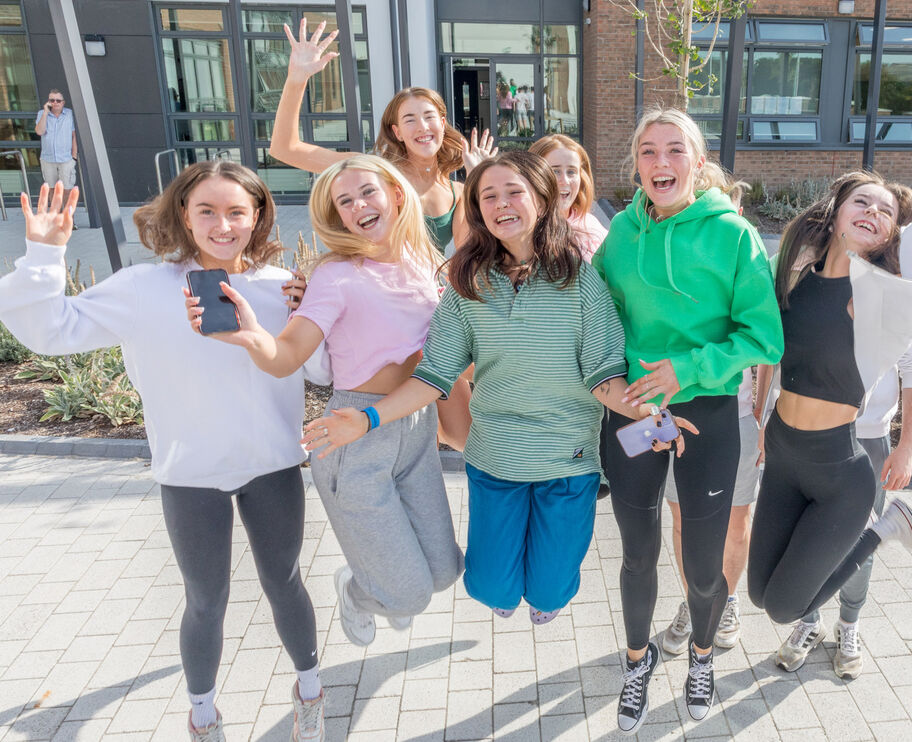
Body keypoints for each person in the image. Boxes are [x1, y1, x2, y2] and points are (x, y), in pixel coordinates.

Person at [0, 167, 325, 741]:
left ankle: (311, 693)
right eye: (207, 211)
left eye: (236, 211)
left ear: (257, 216)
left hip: (272, 466)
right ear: (183, 215)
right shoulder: (143, 288)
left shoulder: (282, 287)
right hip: (190, 473)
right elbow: (52, 330)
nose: (222, 225)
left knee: (285, 582)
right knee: (206, 600)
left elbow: (320, 370)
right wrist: (44, 255)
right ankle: (204, 717)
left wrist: (310, 313)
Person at [303, 150, 677, 630]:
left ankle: (546, 589)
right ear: (477, 210)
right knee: (490, 588)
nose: (502, 204)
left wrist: (648, 415)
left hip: (569, 461)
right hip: (496, 459)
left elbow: (604, 377)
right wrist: (367, 418)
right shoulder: (468, 284)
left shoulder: (583, 281)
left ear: (541, 199)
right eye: (488, 196)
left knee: (550, 589)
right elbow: (433, 376)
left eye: (514, 192)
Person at [189, 154, 464, 649]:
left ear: (395, 194)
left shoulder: (421, 259)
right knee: (410, 595)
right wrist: (253, 335)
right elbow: (287, 356)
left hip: (414, 427)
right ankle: (357, 591)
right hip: (354, 440)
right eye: (345, 201)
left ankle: (378, 581)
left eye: (367, 192)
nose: (358, 206)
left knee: (446, 571)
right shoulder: (336, 275)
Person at [746, 171, 912, 677]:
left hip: (837, 472)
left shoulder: (888, 294)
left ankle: (885, 528)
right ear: (836, 213)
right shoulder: (794, 277)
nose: (873, 212)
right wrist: (759, 418)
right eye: (862, 202)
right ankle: (822, 607)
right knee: (759, 593)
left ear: (893, 233)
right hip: (782, 452)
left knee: (782, 606)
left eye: (886, 211)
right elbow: (768, 354)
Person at [593, 107, 784, 732]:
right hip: (636, 414)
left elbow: (764, 338)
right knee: (637, 553)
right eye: (648, 151)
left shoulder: (733, 235)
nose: (661, 162)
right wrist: (617, 388)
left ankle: (702, 656)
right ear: (636, 165)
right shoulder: (622, 234)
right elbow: (595, 318)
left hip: (706, 412)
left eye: (675, 150)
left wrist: (690, 371)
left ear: (698, 164)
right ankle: (636, 662)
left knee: (704, 566)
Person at [268, 17, 478, 448]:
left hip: (426, 315)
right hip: (380, 321)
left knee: (466, 436)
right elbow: (285, 148)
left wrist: (479, 181)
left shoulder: (456, 190)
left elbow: (466, 260)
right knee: (401, 424)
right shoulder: (373, 174)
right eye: (409, 119)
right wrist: (297, 78)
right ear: (396, 131)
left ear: (443, 123)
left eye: (430, 116)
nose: (422, 126)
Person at [781, 332, 912, 677]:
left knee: (859, 541)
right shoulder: (809, 289)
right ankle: (809, 621)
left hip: (867, 436)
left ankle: (849, 623)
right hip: (802, 429)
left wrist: (907, 448)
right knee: (799, 537)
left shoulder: (902, 296)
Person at [658, 180, 762, 656]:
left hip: (735, 418)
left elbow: (768, 350)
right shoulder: (670, 264)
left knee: (735, 522)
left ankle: (727, 601)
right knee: (683, 521)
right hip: (671, 417)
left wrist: (763, 417)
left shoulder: (747, 260)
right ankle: (695, 601)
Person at [529, 134, 607, 261]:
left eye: (571, 172)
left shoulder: (592, 226)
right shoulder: (522, 232)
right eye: (555, 171)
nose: (564, 181)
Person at [34, 89, 77, 191]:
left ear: (63, 102)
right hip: (47, 159)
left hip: (66, 159)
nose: (55, 103)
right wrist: (45, 112)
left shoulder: (69, 114)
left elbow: (73, 136)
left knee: (67, 189)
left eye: (58, 100)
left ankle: (66, 204)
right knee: (51, 190)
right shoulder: (42, 114)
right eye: (52, 100)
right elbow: (39, 132)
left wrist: (74, 157)